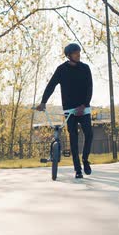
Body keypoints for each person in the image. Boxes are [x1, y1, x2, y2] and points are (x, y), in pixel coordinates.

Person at [36, 43, 93, 179]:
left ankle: (85, 159)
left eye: (79, 52)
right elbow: (51, 86)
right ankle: (78, 170)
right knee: (73, 138)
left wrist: (84, 104)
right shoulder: (61, 70)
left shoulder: (85, 68)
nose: (78, 54)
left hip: (83, 108)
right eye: (75, 53)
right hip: (69, 110)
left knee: (89, 134)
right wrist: (43, 102)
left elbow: (89, 87)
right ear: (68, 55)